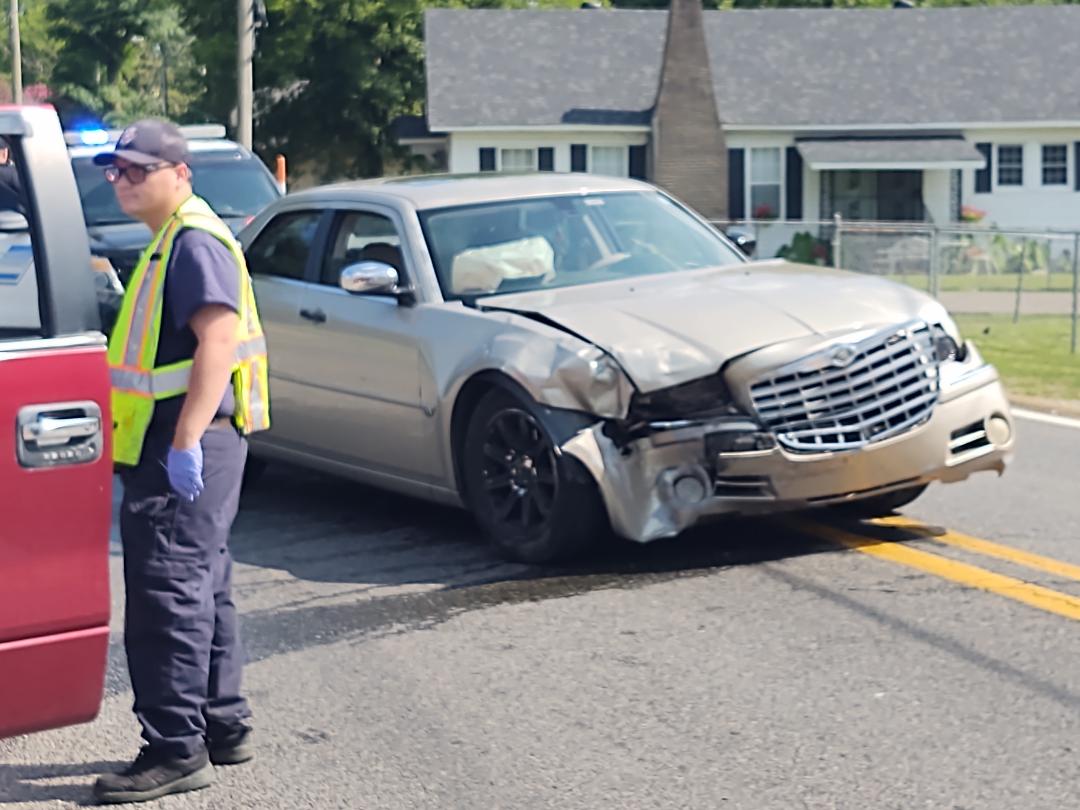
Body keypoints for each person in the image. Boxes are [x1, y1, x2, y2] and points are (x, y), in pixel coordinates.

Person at [90, 119, 271, 805]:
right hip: (192, 441)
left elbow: (216, 342)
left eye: (137, 169)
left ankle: (174, 748)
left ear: (179, 174)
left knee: (167, 591)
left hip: (187, 442)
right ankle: (223, 728)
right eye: (117, 171)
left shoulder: (192, 242)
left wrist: (187, 439)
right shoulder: (173, 241)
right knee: (202, 584)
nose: (124, 181)